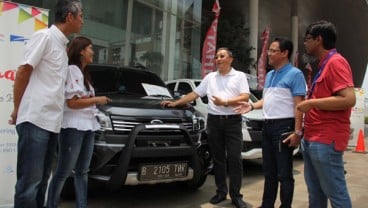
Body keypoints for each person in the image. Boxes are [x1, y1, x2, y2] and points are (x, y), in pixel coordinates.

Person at [8, 1, 84, 207]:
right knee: (29, 186)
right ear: (69, 16)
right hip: (35, 120)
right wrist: (18, 109)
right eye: (81, 16)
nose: (82, 21)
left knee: (42, 183)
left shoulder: (62, 45)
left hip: (52, 123)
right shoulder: (44, 37)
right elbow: (23, 71)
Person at [161, 48, 249, 208]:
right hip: (214, 122)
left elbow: (245, 96)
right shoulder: (210, 77)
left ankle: (236, 196)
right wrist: (175, 103)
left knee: (235, 159)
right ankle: (221, 192)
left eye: (222, 56)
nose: (218, 59)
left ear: (230, 59)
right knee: (218, 159)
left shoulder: (239, 76)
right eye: (216, 57)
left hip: (233, 122)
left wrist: (226, 102)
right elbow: (195, 94)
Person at [234, 37, 306, 208]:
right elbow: (267, 100)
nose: (269, 54)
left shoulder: (295, 74)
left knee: (284, 173)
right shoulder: (270, 75)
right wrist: (251, 106)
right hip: (267, 126)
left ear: (284, 53)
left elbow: (299, 106)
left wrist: (298, 132)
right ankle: (267, 204)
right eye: (269, 50)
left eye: (273, 51)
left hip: (284, 127)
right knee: (269, 171)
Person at [46, 36, 111, 208]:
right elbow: (72, 103)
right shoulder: (72, 70)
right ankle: (51, 204)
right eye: (90, 48)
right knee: (64, 171)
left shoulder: (84, 74)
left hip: (88, 126)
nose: (93, 51)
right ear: (81, 51)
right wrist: (96, 99)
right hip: (73, 127)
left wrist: (94, 101)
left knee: (83, 171)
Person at [297, 20, 355, 208]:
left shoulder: (336, 62)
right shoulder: (324, 64)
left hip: (326, 140)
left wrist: (311, 103)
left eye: (307, 39)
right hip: (312, 138)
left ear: (318, 39)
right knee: (315, 192)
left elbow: (348, 99)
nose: (305, 43)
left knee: (336, 193)